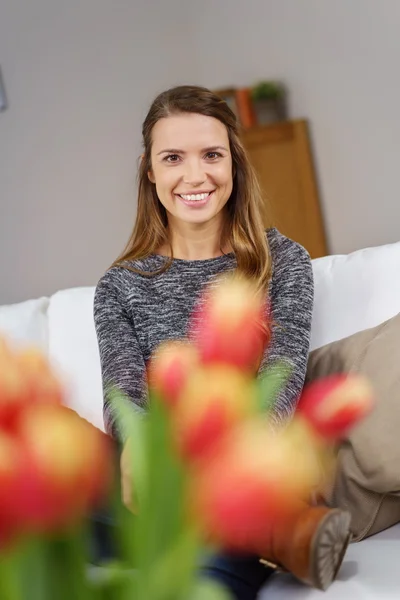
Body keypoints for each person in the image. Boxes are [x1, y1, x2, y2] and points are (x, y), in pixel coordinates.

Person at [93, 85, 351, 600]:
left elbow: (283, 379)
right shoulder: (119, 286)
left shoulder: (283, 262)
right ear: (150, 170)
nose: (195, 176)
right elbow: (123, 399)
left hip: (246, 467)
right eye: (173, 158)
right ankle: (283, 537)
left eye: (212, 154)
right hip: (156, 477)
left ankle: (239, 536)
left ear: (234, 160)